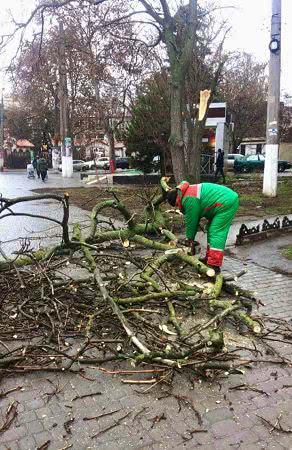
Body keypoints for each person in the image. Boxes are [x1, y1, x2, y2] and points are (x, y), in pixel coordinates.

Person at [165, 181, 239, 271]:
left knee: (216, 231)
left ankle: (214, 265)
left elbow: (192, 222)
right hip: (223, 201)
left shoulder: (188, 199)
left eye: (176, 205)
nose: (178, 206)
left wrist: (189, 239)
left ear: (177, 199)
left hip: (226, 202)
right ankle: (209, 258)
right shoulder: (186, 193)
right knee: (210, 229)